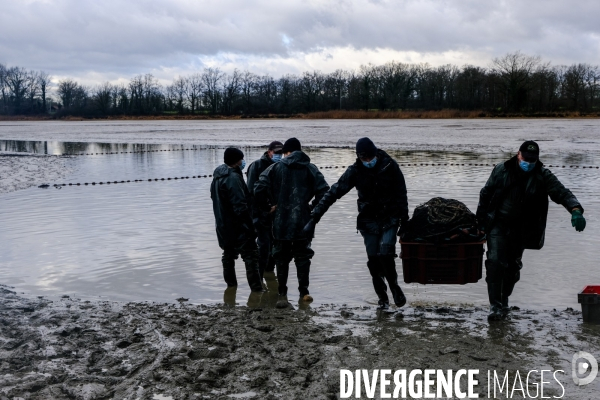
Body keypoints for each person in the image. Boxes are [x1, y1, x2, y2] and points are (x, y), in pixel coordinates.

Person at [476, 140, 586, 321]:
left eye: (532, 160)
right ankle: (495, 307)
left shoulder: (543, 175)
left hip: (522, 229)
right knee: (495, 263)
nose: (528, 163)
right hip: (498, 224)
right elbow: (485, 194)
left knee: (512, 268)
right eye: (526, 158)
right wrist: (480, 224)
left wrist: (575, 210)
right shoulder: (501, 170)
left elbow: (562, 192)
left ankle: (504, 299)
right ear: (518, 154)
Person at [306, 137, 409, 311]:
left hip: (390, 216)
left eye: (370, 157)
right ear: (359, 157)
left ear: (375, 153)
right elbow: (334, 192)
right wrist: (314, 217)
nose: (368, 161)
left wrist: (405, 220)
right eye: (364, 158)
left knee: (385, 253)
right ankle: (382, 299)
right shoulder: (355, 171)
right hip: (367, 220)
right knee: (373, 260)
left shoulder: (390, 166)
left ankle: (394, 287)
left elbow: (401, 193)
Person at [254, 138, 329, 303]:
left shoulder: (274, 168)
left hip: (280, 221)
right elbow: (324, 191)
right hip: (304, 221)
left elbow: (258, 189)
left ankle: (282, 292)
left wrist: (268, 208)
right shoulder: (310, 168)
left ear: (286, 152)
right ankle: (304, 292)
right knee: (303, 256)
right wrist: (313, 209)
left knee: (281, 257)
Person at [210, 147, 264, 293]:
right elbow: (240, 206)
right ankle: (257, 290)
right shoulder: (233, 178)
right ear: (237, 161)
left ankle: (231, 288)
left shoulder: (217, 176)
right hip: (238, 226)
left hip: (222, 225)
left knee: (228, 255)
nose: (243, 161)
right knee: (251, 256)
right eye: (242, 159)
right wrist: (250, 227)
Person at [246, 141, 284, 277]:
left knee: (276, 244)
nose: (279, 155)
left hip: (276, 213)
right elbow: (251, 191)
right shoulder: (256, 166)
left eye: (281, 153)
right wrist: (266, 208)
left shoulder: (281, 166)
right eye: (277, 153)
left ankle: (269, 272)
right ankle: (259, 277)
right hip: (260, 213)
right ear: (269, 152)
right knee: (263, 245)